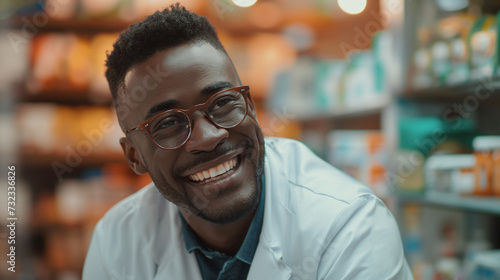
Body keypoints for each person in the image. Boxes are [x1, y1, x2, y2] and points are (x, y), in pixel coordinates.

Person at [82, 4, 413, 280]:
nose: (209, 138)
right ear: (135, 156)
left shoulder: (349, 227)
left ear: (250, 107)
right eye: (167, 123)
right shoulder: (117, 243)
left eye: (223, 103)